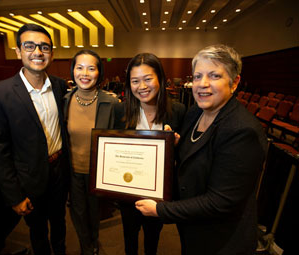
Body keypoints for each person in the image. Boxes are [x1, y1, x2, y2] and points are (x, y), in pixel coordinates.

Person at [135, 45, 268, 255]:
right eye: (198, 76)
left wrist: (160, 210)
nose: (202, 84)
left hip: (222, 239)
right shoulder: (196, 112)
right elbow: (193, 158)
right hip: (194, 230)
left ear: (234, 83)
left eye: (214, 75)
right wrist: (173, 145)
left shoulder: (242, 131)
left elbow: (220, 201)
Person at [0, 23, 69, 255]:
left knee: (60, 223)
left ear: (52, 52)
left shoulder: (60, 86)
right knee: (38, 230)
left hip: (60, 170)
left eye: (44, 47)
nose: (38, 52)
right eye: (29, 46)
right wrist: (14, 196)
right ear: (18, 51)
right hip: (29, 177)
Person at [114, 53, 186, 255]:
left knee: (153, 237)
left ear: (160, 79)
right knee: (129, 236)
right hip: (127, 189)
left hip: (159, 195)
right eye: (135, 81)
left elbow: (185, 158)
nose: (142, 86)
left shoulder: (178, 111)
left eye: (148, 79)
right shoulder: (120, 111)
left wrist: (177, 144)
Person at [64, 49, 119, 255]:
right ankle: (86, 246)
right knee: (77, 213)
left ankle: (94, 241)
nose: (84, 73)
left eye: (91, 68)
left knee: (95, 212)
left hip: (99, 173)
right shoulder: (65, 100)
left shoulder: (112, 103)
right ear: (73, 71)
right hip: (73, 171)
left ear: (99, 72)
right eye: (79, 67)